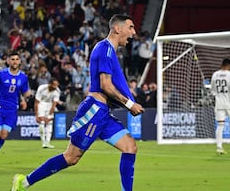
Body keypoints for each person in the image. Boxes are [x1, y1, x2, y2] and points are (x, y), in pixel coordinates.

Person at [11, 14, 145, 191]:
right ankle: (24, 182)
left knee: (130, 147)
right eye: (131, 27)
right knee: (71, 158)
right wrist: (129, 104)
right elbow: (105, 85)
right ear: (117, 28)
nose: (134, 32)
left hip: (103, 113)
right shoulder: (105, 49)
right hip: (94, 111)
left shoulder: (109, 51)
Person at [0, 51, 31, 166]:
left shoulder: (23, 77)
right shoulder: (1, 74)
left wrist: (24, 99)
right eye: (12, 59)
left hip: (12, 109)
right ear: (8, 61)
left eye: (17, 59)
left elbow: (23, 92)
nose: (14, 61)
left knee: (3, 136)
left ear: (20, 61)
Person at [34, 77, 61, 148]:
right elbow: (36, 102)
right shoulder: (41, 88)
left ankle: (48, 142)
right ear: (50, 84)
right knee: (42, 122)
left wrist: (50, 114)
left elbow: (54, 104)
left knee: (49, 123)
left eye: (57, 85)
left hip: (50, 104)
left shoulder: (57, 91)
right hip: (41, 103)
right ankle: (43, 142)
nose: (56, 87)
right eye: (54, 85)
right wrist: (36, 115)